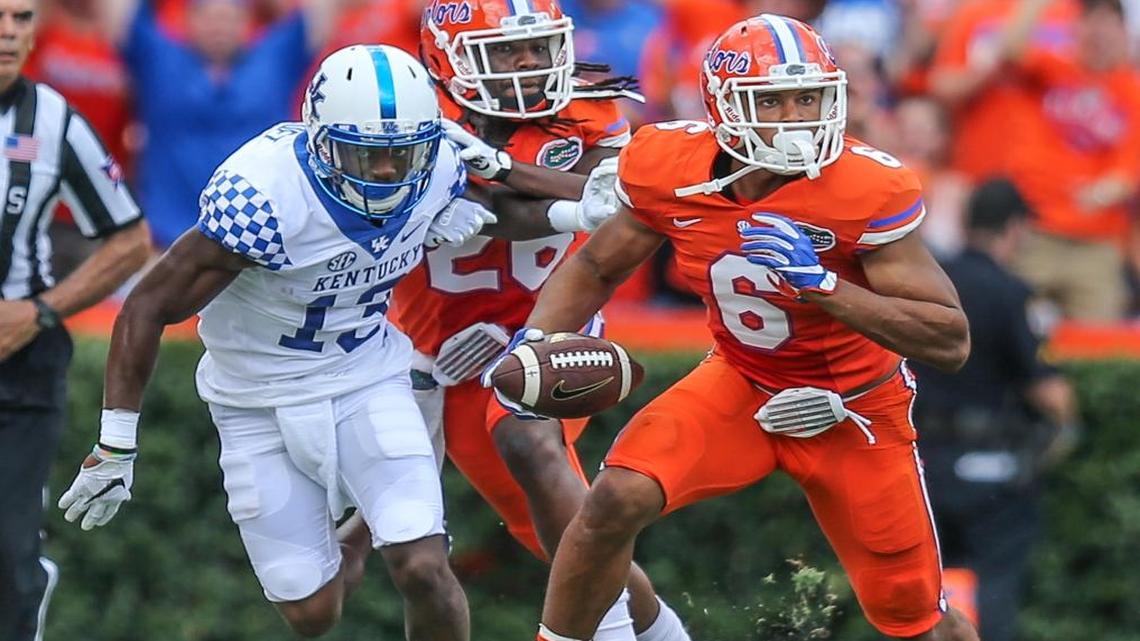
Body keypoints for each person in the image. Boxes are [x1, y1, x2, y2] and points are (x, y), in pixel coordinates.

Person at [503, 14, 980, 641]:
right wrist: (535, 341)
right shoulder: (670, 165)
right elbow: (596, 265)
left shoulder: (866, 187)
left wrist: (825, 286)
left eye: (808, 97)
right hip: (744, 380)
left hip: (854, 407)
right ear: (724, 107)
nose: (796, 117)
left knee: (914, 618)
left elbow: (950, 339)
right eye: (772, 101)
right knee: (615, 498)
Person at [56, 45, 496, 640]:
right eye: (364, 154)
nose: (386, 173)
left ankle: (386, 523)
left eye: (401, 154)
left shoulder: (439, 166)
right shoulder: (264, 196)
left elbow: (511, 201)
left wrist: (570, 213)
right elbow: (148, 305)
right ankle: (365, 532)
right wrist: (115, 443)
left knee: (422, 564)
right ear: (321, 141)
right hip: (255, 399)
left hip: (367, 375)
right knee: (311, 613)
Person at [387, 2, 690, 641]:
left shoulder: (589, 109)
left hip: (552, 316)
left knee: (528, 439)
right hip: (443, 351)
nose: (527, 64)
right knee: (564, 542)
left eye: (537, 47)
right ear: (446, 57)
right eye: (504, 51)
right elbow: (489, 211)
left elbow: (609, 194)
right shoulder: (411, 117)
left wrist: (505, 168)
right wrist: (523, 184)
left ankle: (603, 633)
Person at [0, 1, 151, 639]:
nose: (9, 33)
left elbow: (130, 241)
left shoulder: (55, 120)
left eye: (22, 17)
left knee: (6, 558)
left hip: (18, 365)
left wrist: (38, 311)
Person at [912, 179, 1080, 641]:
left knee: (924, 595)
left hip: (920, 462)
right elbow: (1050, 393)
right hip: (990, 467)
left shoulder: (928, 285)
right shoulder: (1011, 292)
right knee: (995, 590)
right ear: (1015, 228)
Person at [98, 0, 345, 247]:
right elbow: (119, 17)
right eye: (209, 18)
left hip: (258, 240)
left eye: (229, 19)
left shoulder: (276, 58)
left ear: (247, 23)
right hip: (165, 238)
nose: (219, 28)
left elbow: (319, 15)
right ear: (188, 21)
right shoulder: (157, 59)